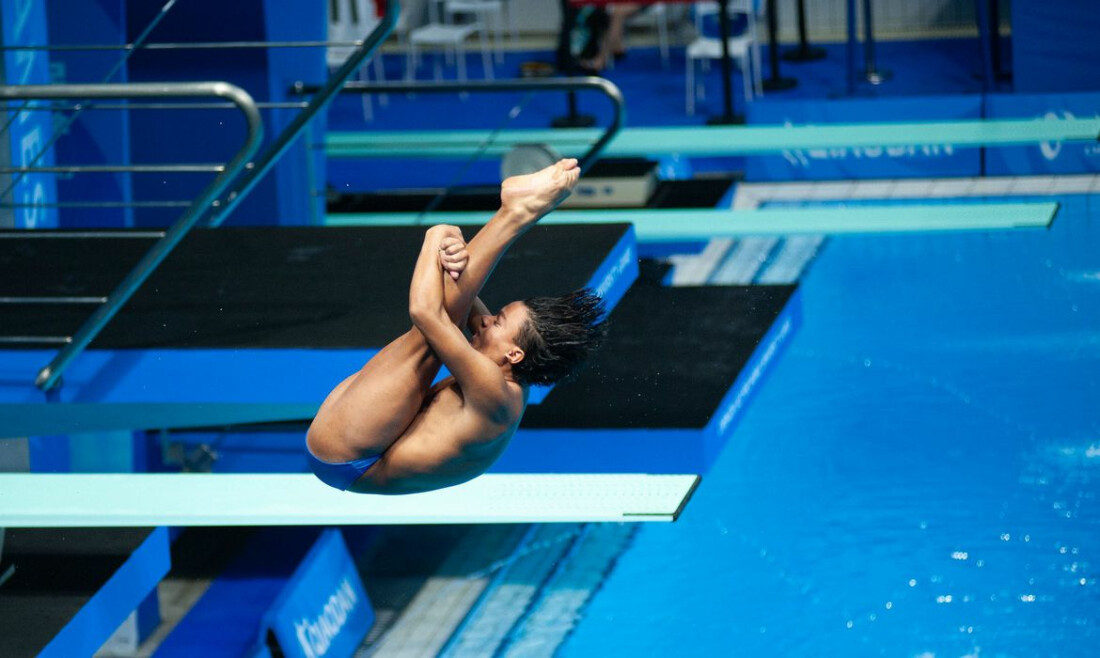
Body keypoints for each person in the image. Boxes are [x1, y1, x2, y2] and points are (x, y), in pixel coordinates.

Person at [305, 159, 607, 495]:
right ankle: (518, 212)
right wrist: (453, 255)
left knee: (427, 340)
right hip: (370, 443)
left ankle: (519, 213)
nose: (487, 319)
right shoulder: (508, 373)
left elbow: (426, 312)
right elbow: (463, 300)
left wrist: (437, 237)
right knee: (450, 317)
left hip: (348, 457)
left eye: (498, 321)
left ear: (515, 353)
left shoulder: (493, 390)